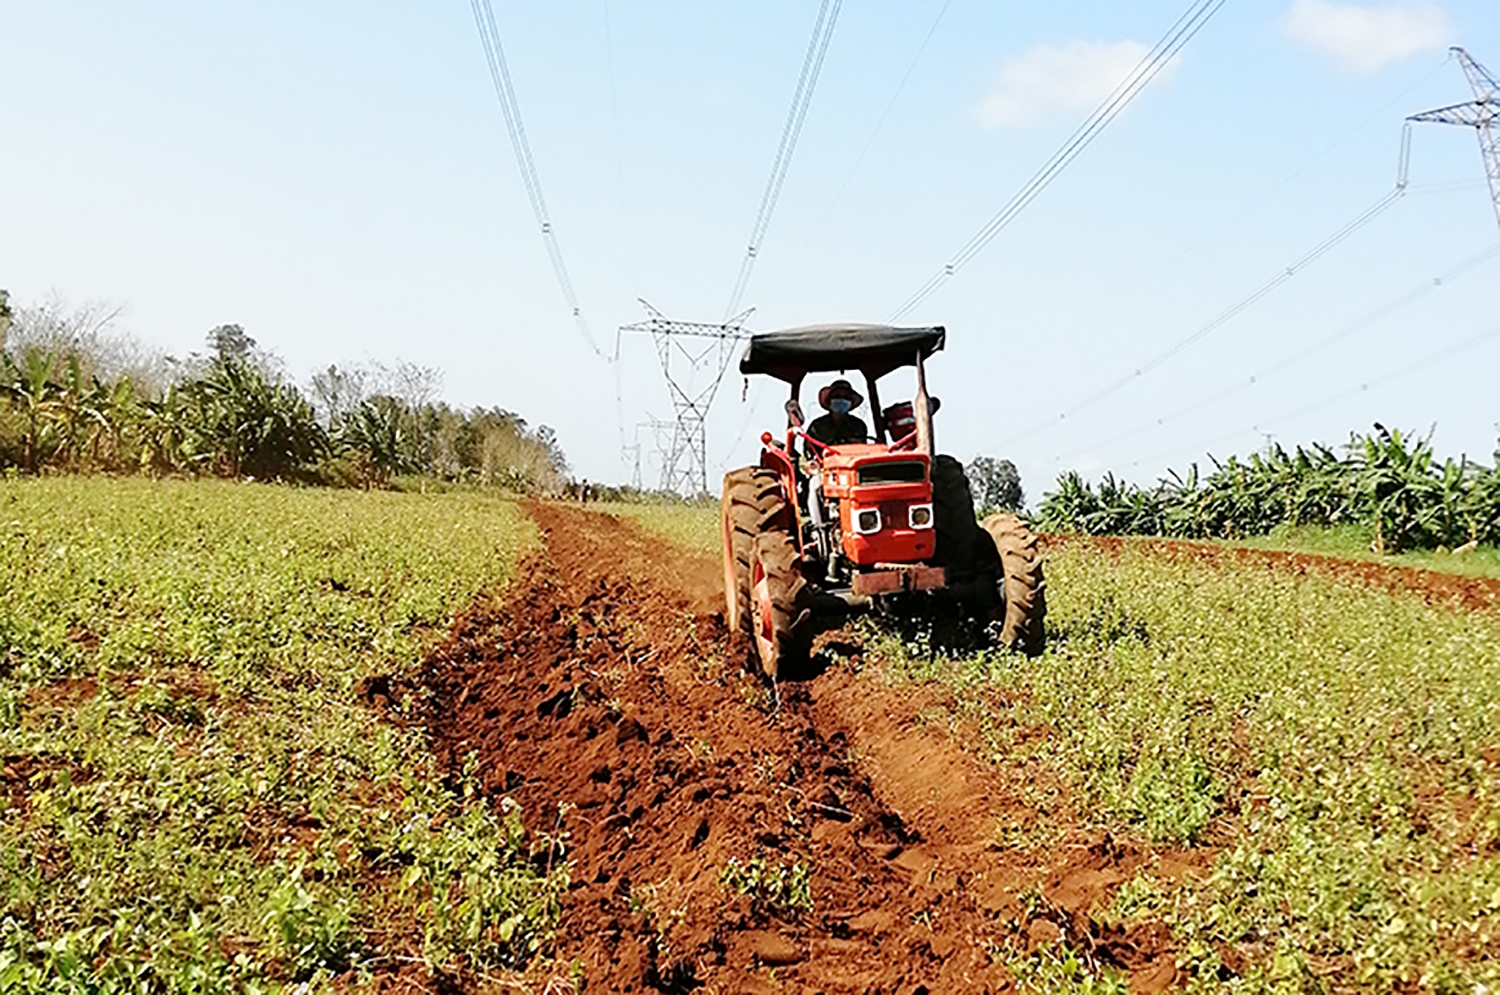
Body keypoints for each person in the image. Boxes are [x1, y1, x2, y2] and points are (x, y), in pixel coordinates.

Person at [805, 379, 868, 457]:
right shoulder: (817, 426)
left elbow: (863, 451)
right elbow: (808, 454)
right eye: (837, 396)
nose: (841, 400)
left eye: (846, 397)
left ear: (850, 402)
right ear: (829, 400)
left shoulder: (858, 426)